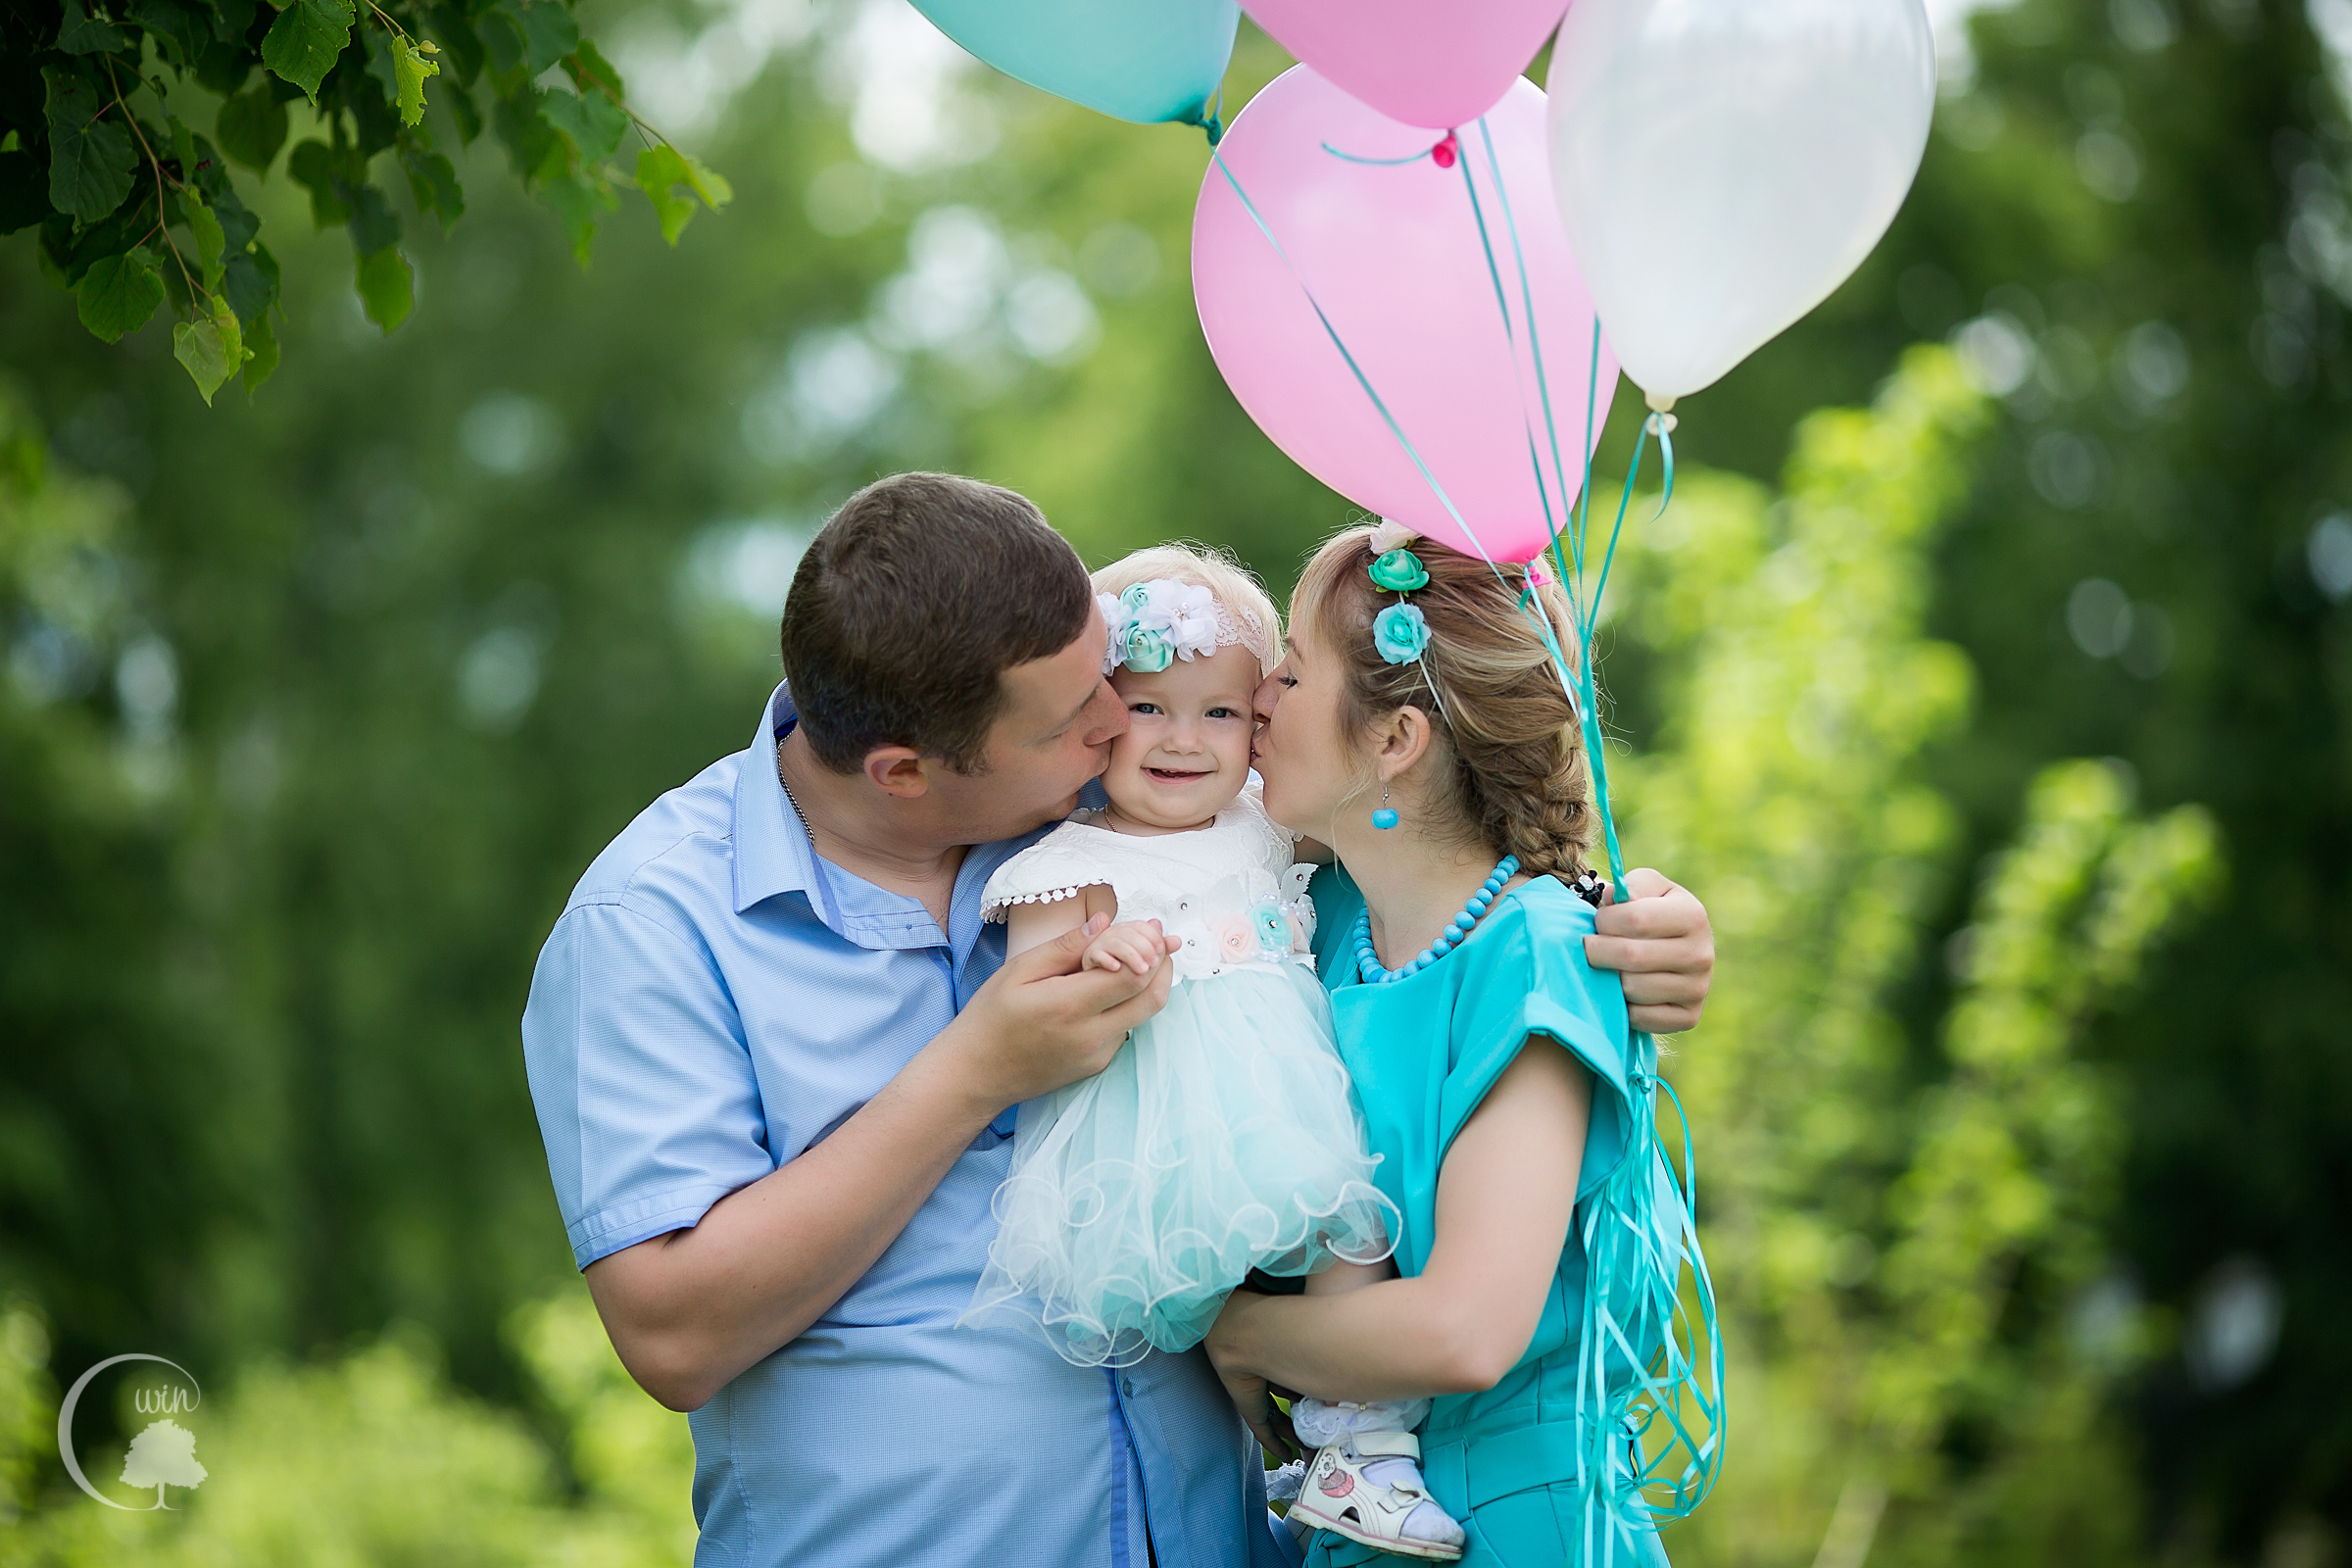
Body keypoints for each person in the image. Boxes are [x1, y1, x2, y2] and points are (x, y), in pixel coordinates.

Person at [518, 474, 1717, 1568]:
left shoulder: (1126, 789)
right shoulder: (657, 924)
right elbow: (671, 1337)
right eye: (1081, 719)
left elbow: (1440, 853)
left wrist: (1634, 916)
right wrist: (975, 1069)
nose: (1122, 728)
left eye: (1113, 678)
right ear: (904, 771)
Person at [1204, 522, 1706, 1568]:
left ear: (1394, 742)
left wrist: (1240, 1335)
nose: (1259, 700)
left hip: (1523, 1530)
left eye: (1293, 674)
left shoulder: (1537, 949)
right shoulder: (1327, 922)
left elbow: (1466, 1329)